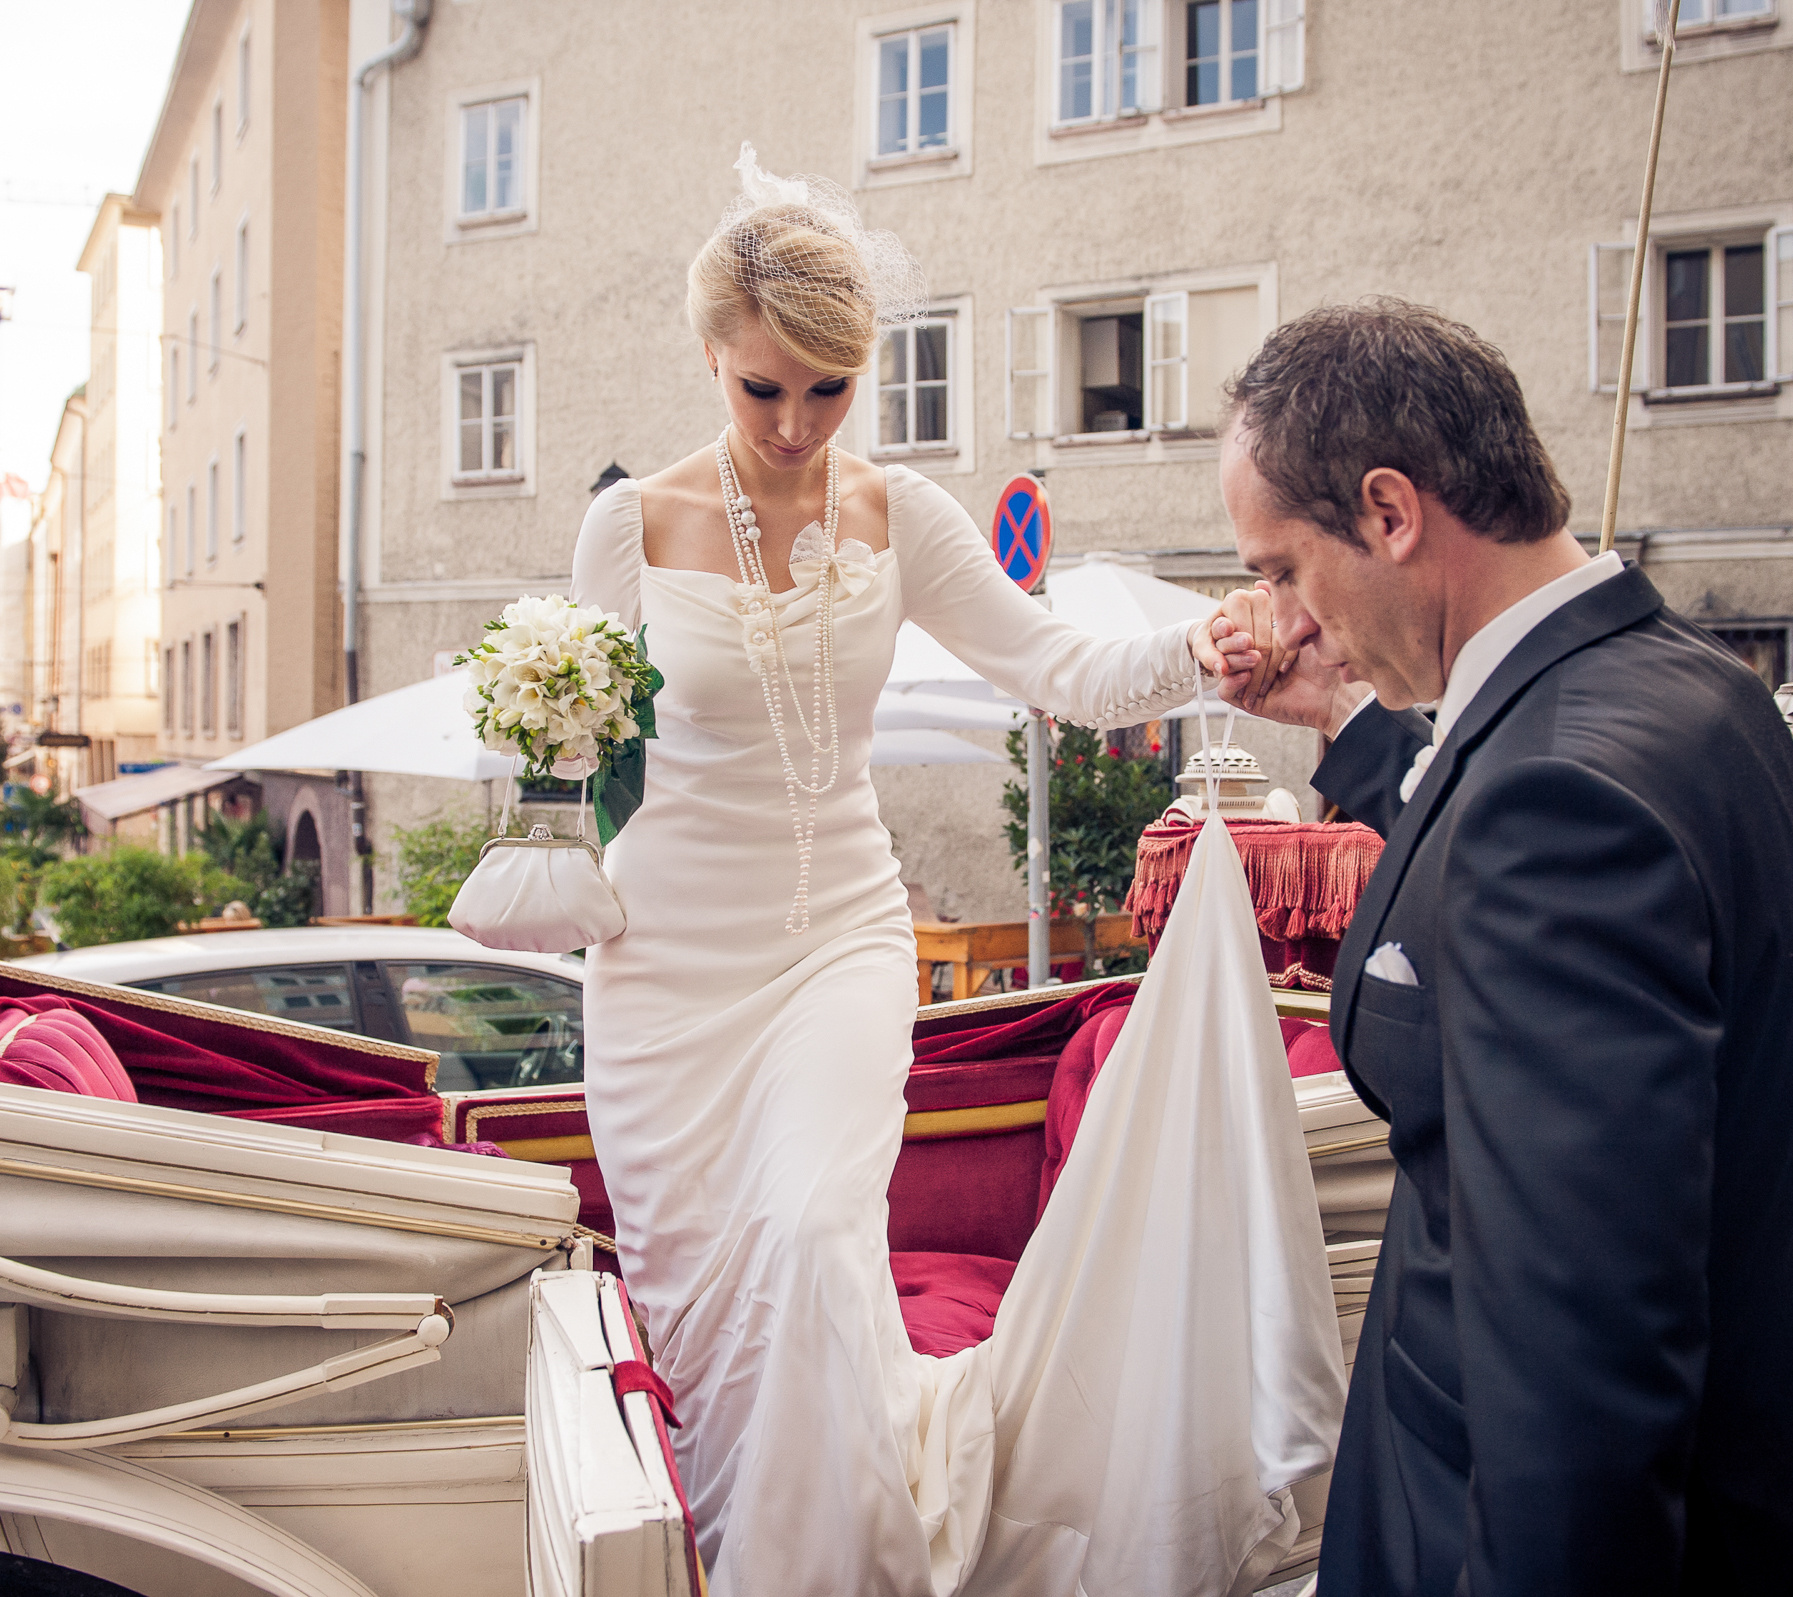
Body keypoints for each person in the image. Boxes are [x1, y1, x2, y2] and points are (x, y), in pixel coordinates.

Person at [569, 148, 1333, 1595]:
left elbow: (1059, 663)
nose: (796, 424)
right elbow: (576, 761)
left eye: (830, 388)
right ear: (711, 361)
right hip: (665, 980)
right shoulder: (630, 529)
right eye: (762, 388)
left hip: (838, 946)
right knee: (712, 1316)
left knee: (810, 1237)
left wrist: (1201, 647)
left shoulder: (900, 515)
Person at [1202, 299, 1793, 1593]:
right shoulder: (1696, 692)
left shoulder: (1555, 810)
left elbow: (1581, 1363)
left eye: (1280, 568)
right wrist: (1347, 721)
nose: (1283, 618)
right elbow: (1489, 884)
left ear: (1390, 513)